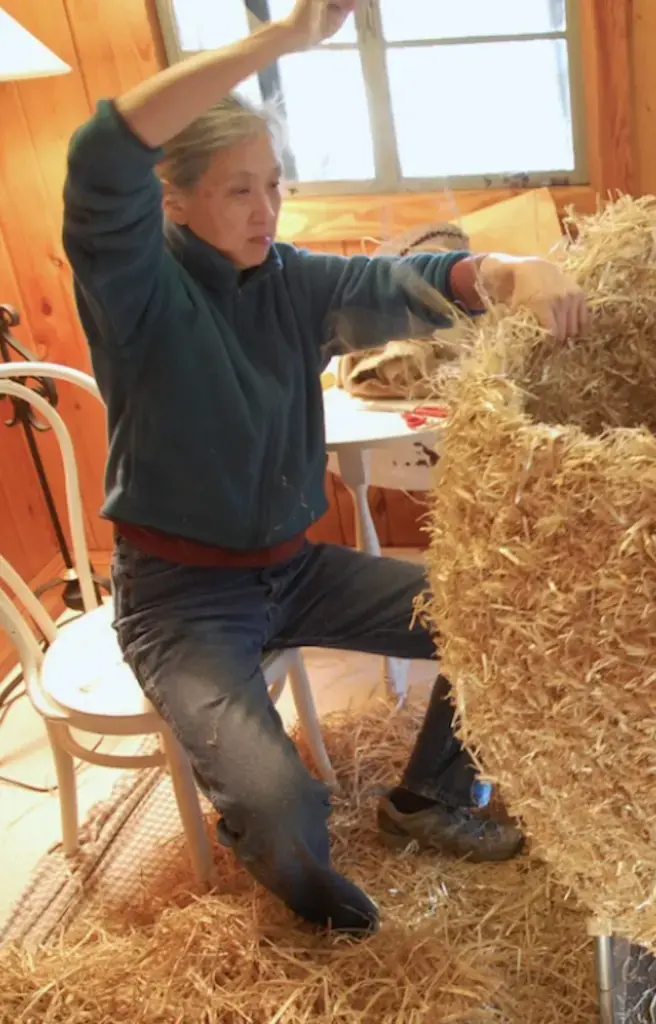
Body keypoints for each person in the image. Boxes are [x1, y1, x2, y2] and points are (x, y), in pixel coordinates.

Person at [60, 0, 588, 937]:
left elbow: (387, 285)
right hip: (180, 600)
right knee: (282, 811)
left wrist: (504, 270)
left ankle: (427, 797)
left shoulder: (288, 279)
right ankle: (323, 910)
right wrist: (276, 42)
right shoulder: (136, 291)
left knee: (499, 615)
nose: (266, 210)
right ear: (172, 199)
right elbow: (102, 159)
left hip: (295, 570)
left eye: (273, 184)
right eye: (237, 189)